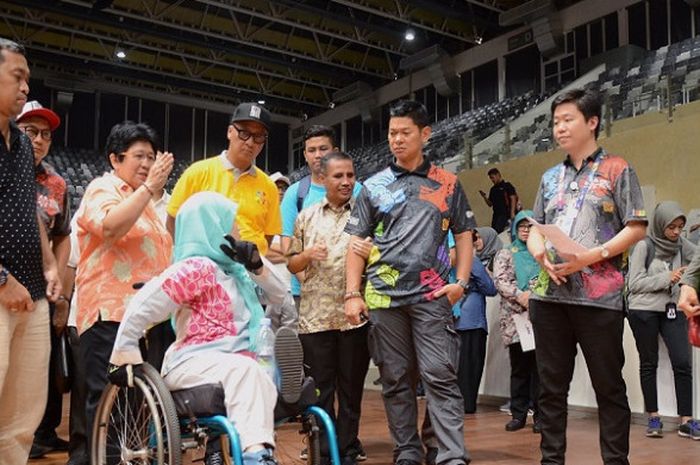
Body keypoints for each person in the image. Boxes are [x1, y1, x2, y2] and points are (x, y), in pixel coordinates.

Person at [109, 191, 300, 465]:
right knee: (247, 371)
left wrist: (257, 267)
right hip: (193, 362)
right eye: (232, 223)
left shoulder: (239, 267)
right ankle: (255, 454)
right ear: (212, 226)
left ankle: (273, 397)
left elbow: (282, 300)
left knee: (257, 369)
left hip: (239, 359)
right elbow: (143, 305)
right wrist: (124, 350)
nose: (238, 230)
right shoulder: (194, 268)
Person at [344, 100, 476, 465]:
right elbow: (356, 246)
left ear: (425, 134)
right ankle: (406, 452)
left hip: (433, 296)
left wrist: (461, 283)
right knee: (395, 379)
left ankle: (451, 455)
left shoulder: (448, 183)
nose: (397, 140)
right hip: (384, 300)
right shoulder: (372, 187)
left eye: (404, 133)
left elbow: (464, 235)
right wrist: (353, 294)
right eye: (391, 134)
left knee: (440, 375)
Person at [527, 88, 647, 465]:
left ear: (591, 122)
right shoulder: (548, 178)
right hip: (550, 297)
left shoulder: (617, 168)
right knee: (550, 389)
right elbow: (533, 227)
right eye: (556, 121)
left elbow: (637, 226)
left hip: (600, 300)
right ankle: (552, 459)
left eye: (567, 120)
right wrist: (540, 255)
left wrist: (590, 257)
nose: (559, 128)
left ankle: (615, 460)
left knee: (609, 387)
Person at [75, 121, 173, 447]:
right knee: (107, 404)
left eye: (151, 157)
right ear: (116, 159)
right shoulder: (102, 188)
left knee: (135, 407)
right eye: (138, 156)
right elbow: (109, 227)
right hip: (110, 314)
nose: (146, 164)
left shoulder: (146, 205)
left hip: (145, 318)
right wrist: (148, 189)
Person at [287, 151, 371, 465]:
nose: (346, 181)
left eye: (351, 175)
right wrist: (307, 255)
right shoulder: (306, 217)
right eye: (339, 176)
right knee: (321, 390)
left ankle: (347, 449)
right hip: (315, 319)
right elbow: (291, 262)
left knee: (351, 389)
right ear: (323, 179)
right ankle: (323, 451)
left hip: (354, 320)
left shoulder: (367, 214)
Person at [0, 38, 62, 464]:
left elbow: (30, 211)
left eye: (27, 79)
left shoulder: (22, 145)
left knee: (23, 415)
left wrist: (50, 264)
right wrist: (2, 281)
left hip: (33, 295)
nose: (25, 87)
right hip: (3, 290)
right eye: (17, 77)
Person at [14, 100, 72, 459]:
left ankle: (39, 433)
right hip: (5, 283)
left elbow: (63, 235)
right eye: (30, 131)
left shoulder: (56, 184)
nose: (38, 139)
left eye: (45, 134)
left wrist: (60, 287)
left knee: (40, 373)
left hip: (40, 291)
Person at [167, 102, 280, 255]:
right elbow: (173, 220)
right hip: (204, 266)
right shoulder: (198, 172)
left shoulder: (268, 186)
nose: (250, 142)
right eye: (244, 133)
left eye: (258, 137)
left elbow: (268, 236)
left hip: (250, 271)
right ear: (229, 132)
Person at [626, 201, 698, 439]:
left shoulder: (681, 245)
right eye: (671, 227)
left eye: (680, 227)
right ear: (659, 224)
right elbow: (634, 284)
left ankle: (686, 421)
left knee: (682, 362)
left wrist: (687, 278)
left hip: (672, 309)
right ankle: (653, 417)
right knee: (649, 363)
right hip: (643, 310)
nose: (676, 232)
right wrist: (667, 277)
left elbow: (697, 259)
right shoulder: (643, 246)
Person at [493, 210, 541, 433]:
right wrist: (521, 295)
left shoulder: (543, 254)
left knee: (541, 371)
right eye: (522, 226)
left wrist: (534, 296)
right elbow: (500, 281)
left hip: (540, 318)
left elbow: (549, 278)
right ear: (514, 229)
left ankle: (541, 417)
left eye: (530, 226)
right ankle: (519, 415)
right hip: (515, 320)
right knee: (520, 370)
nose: (525, 230)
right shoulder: (505, 253)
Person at [453, 229, 497, 414]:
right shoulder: (473, 261)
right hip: (471, 320)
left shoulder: (448, 258)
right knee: (470, 365)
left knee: (459, 365)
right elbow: (490, 288)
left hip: (458, 318)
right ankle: (467, 404)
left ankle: (457, 404)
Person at [266, 171, 297, 332]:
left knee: (290, 335)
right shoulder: (262, 216)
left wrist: (283, 252)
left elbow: (299, 249)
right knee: (268, 335)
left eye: (283, 188)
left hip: (291, 288)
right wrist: (289, 255)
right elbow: (262, 250)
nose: (280, 192)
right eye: (276, 187)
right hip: (268, 290)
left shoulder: (294, 216)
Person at [479, 168, 518, 233]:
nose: (492, 180)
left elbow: (513, 198)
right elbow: (490, 204)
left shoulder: (507, 186)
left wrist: (512, 212)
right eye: (490, 178)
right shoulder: (493, 190)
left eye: (492, 177)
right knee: (495, 232)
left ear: (498, 175)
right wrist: (484, 197)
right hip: (496, 216)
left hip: (506, 214)